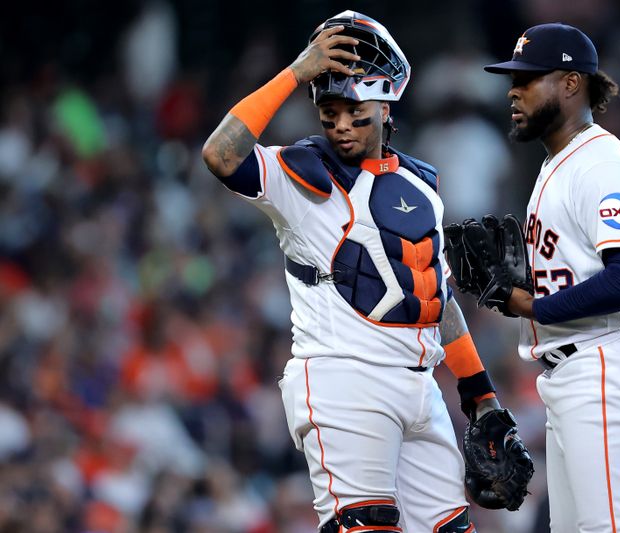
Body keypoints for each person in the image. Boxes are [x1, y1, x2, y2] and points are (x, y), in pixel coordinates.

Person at [202, 11, 531, 533]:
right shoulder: (301, 175)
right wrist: (296, 72)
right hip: (344, 378)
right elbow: (221, 154)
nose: (338, 123)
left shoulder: (421, 186)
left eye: (352, 109)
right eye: (328, 109)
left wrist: (481, 395)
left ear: (385, 105)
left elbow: (435, 297)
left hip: (420, 388)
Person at [462, 23, 620, 532]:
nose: (514, 90)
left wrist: (530, 305)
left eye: (530, 78)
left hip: (608, 364)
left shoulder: (599, 165)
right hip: (578, 367)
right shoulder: (561, 161)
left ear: (571, 83)